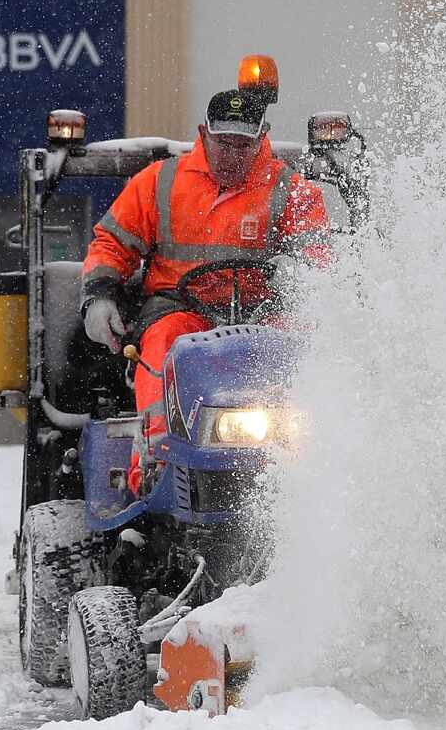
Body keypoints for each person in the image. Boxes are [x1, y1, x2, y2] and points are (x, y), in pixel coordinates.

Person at [81, 89, 331, 494]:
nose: (232, 154)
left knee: (300, 341)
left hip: (260, 314)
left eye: (243, 144)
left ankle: (305, 456)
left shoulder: (291, 190)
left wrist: (299, 271)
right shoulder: (160, 182)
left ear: (261, 137)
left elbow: (317, 254)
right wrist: (100, 296)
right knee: (164, 340)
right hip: (180, 309)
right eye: (223, 143)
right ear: (204, 134)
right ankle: (156, 456)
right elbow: (112, 243)